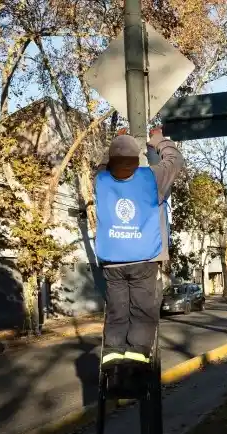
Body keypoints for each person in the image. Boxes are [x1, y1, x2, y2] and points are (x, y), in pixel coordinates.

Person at [94, 128, 182, 371]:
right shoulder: (151, 178)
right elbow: (174, 161)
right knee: (142, 313)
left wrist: (115, 142)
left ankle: (112, 364)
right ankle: (135, 366)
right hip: (144, 257)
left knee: (117, 313)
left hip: (113, 261)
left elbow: (104, 164)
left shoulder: (100, 179)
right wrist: (158, 140)